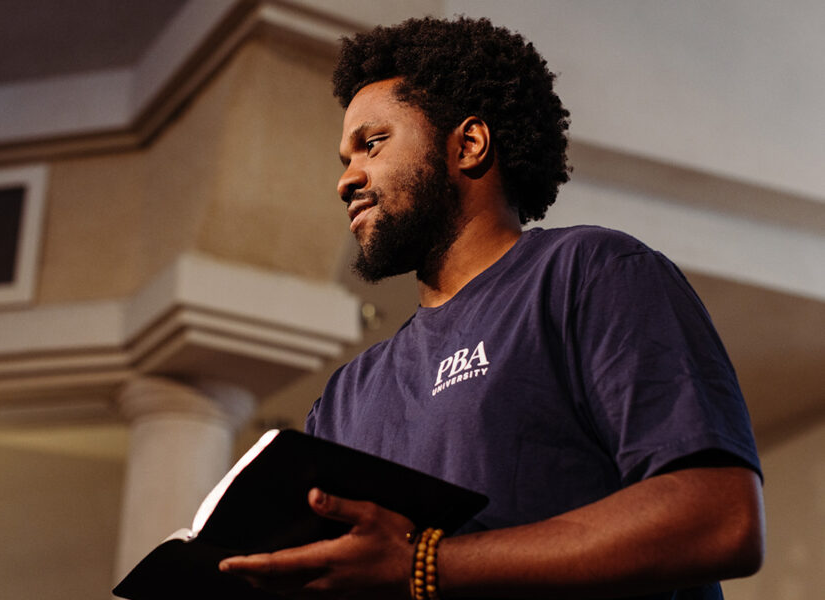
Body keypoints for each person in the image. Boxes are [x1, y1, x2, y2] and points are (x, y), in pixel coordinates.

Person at [220, 16, 765, 599]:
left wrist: (424, 566)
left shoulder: (590, 274)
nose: (346, 180)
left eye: (372, 144)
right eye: (343, 160)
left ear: (469, 144)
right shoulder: (346, 397)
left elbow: (719, 516)